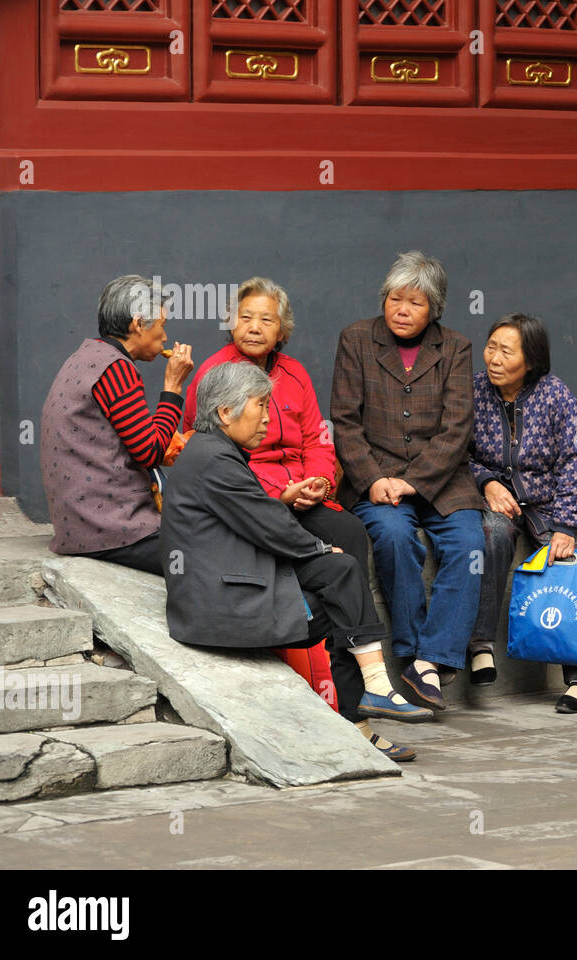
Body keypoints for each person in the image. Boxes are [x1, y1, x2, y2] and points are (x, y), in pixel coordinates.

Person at [183, 277, 430, 745]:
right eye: (245, 317)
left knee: (352, 537)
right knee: (334, 567)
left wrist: (317, 482)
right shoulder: (215, 377)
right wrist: (286, 501)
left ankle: (355, 708)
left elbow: (318, 438)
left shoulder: (294, 374)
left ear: (283, 331)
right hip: (257, 501)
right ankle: (365, 697)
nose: (253, 327)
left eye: (266, 320)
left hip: (300, 495)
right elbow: (215, 462)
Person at [331, 251, 485, 714]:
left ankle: (429, 662)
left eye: (415, 303)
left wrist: (414, 481)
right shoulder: (356, 339)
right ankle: (414, 652)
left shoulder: (454, 347)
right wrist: (374, 478)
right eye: (395, 299)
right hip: (375, 478)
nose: (401, 310)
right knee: (395, 537)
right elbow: (344, 421)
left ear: (434, 308)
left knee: (469, 543)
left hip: (441, 479)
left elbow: (457, 428)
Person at [467, 313, 577, 711]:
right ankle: (480, 646)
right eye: (491, 347)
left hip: (547, 500)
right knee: (491, 537)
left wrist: (565, 524)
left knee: (567, 562)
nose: (494, 358)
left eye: (507, 351)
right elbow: (456, 453)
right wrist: (486, 482)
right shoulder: (473, 391)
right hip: (497, 498)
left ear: (531, 359)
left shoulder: (556, 394)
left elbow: (576, 460)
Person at [41, 275, 195, 574]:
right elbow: (149, 451)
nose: (165, 337)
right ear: (138, 324)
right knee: (216, 549)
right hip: (114, 531)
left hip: (81, 526)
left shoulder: (86, 357)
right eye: (161, 326)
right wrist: (173, 387)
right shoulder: (116, 369)